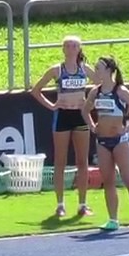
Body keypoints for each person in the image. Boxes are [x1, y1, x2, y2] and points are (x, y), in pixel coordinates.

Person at [83, 56, 129, 232]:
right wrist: (92, 126)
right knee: (108, 181)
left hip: (119, 141)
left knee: (128, 179)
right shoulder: (95, 92)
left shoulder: (120, 91)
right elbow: (85, 110)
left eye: (99, 68)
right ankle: (113, 219)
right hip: (102, 141)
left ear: (109, 70)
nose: (96, 71)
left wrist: (126, 129)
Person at [29, 36, 93, 217]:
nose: (71, 48)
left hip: (80, 116)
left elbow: (103, 85)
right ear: (63, 49)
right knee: (60, 161)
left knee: (82, 161)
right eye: (68, 45)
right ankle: (60, 204)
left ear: (79, 49)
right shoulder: (56, 70)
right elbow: (36, 90)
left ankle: (82, 204)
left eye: (74, 45)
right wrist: (51, 106)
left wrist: (90, 103)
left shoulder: (85, 69)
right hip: (62, 116)